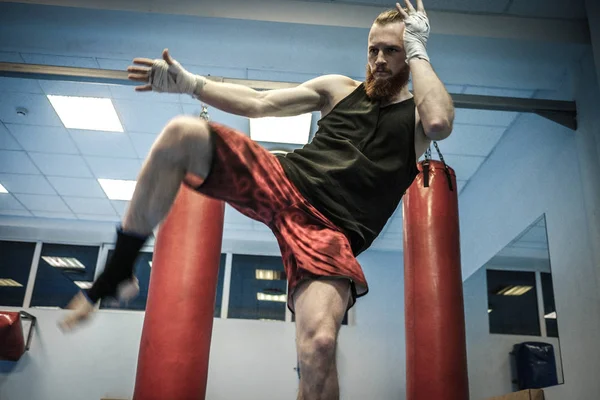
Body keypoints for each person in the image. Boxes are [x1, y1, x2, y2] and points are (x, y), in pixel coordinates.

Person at [60, 0, 453, 398]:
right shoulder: (339, 88)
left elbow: (439, 121)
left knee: (320, 346)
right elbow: (259, 103)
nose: (380, 60)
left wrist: (419, 46)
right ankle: (117, 272)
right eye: (373, 50)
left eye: (393, 50)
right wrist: (190, 84)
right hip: (285, 180)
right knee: (180, 134)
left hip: (331, 234)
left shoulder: (418, 120)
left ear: (412, 53)